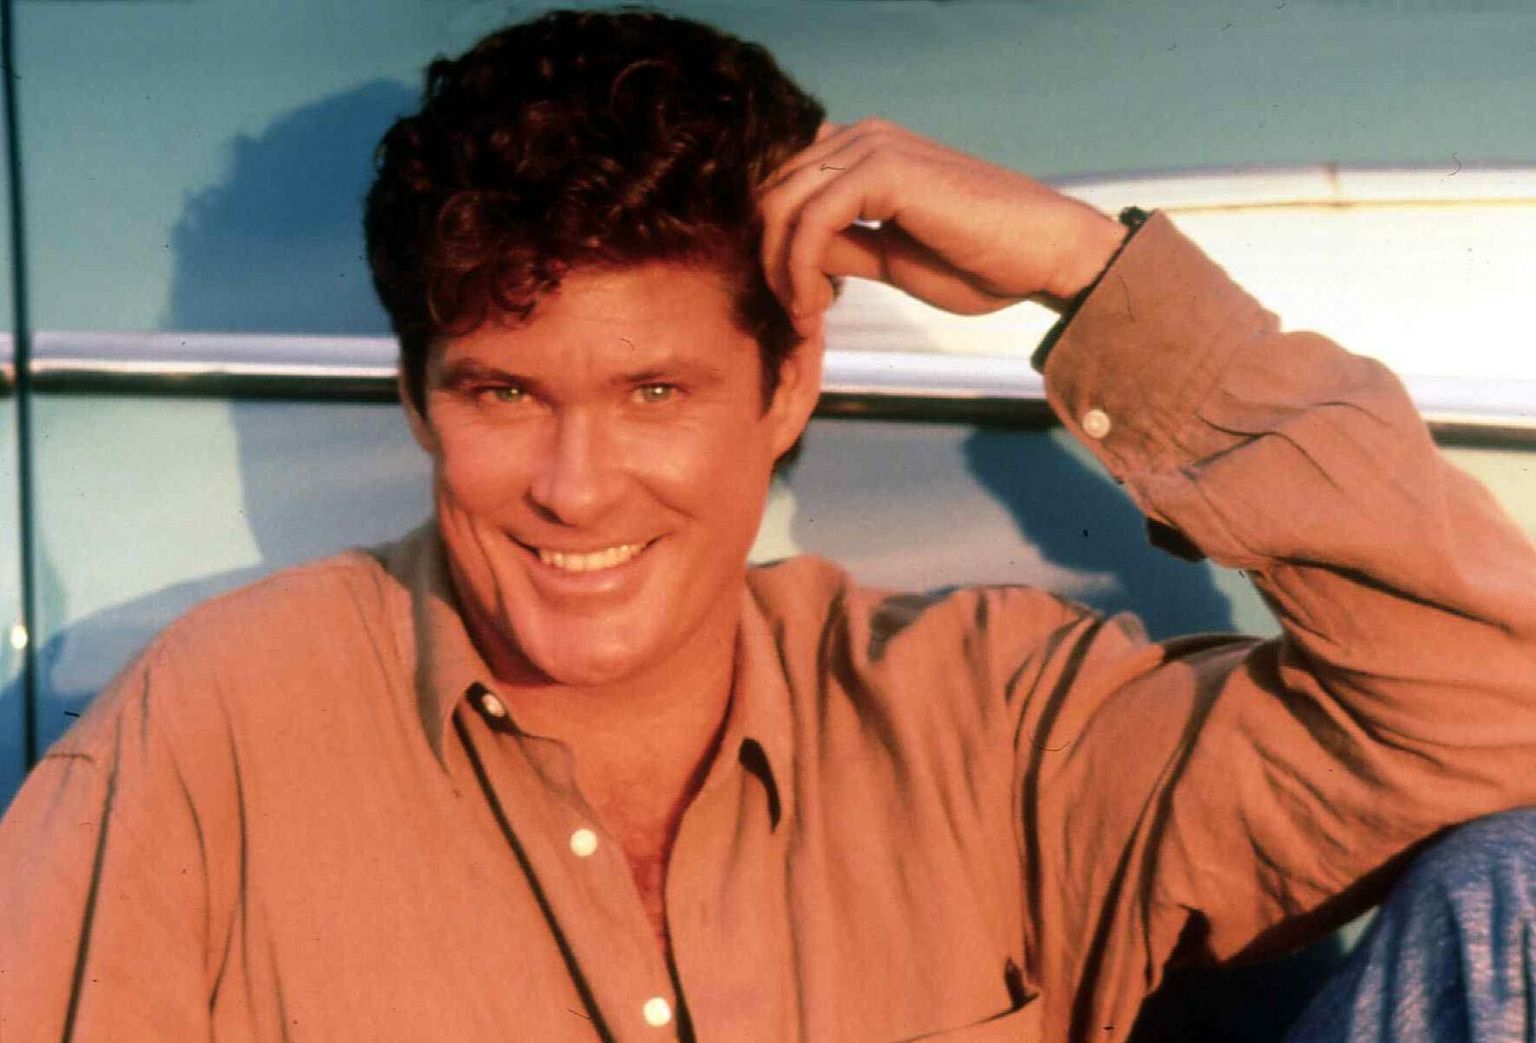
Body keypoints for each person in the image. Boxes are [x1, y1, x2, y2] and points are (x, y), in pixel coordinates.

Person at [2, 8, 1534, 1042]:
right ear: (418, 400)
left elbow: (1497, 707)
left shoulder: (987, 725)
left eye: (656, 392)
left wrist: (1093, 275)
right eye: (505, 394)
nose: (577, 487)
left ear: (788, 382)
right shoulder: (217, 732)